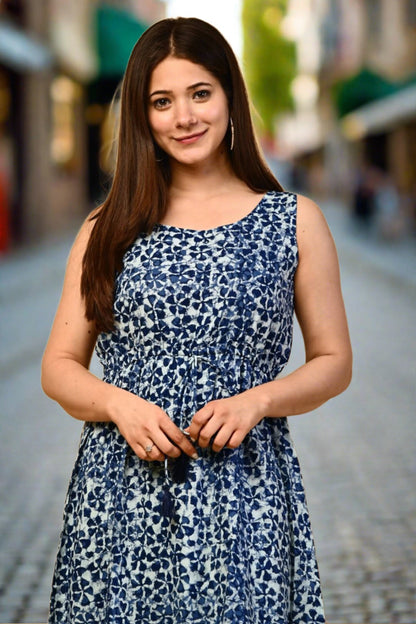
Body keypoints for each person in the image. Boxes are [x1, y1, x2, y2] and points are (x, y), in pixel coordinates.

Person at [41, 17, 352, 624]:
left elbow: (334, 362)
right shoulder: (106, 229)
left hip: (248, 497)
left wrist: (258, 401)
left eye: (200, 93)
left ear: (230, 96)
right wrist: (117, 404)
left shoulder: (293, 220)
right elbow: (58, 367)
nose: (184, 117)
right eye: (162, 101)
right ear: (142, 115)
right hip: (119, 499)